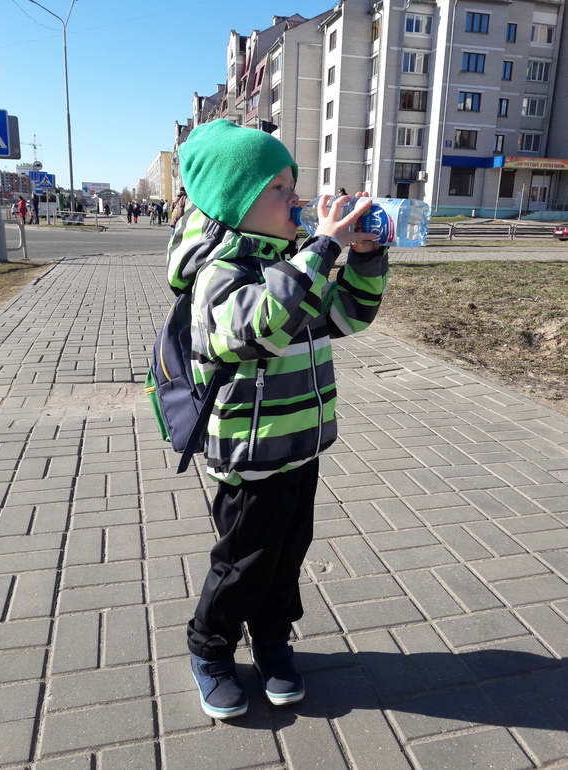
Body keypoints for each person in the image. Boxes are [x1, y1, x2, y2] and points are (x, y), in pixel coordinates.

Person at [175, 119, 389, 720]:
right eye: (279, 188)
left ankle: (272, 642)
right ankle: (210, 650)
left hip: (300, 446)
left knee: (286, 558)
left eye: (294, 184)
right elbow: (262, 326)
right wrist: (322, 249)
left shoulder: (295, 264)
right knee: (243, 563)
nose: (296, 198)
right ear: (236, 201)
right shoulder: (219, 274)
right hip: (249, 454)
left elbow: (348, 316)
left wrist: (365, 258)